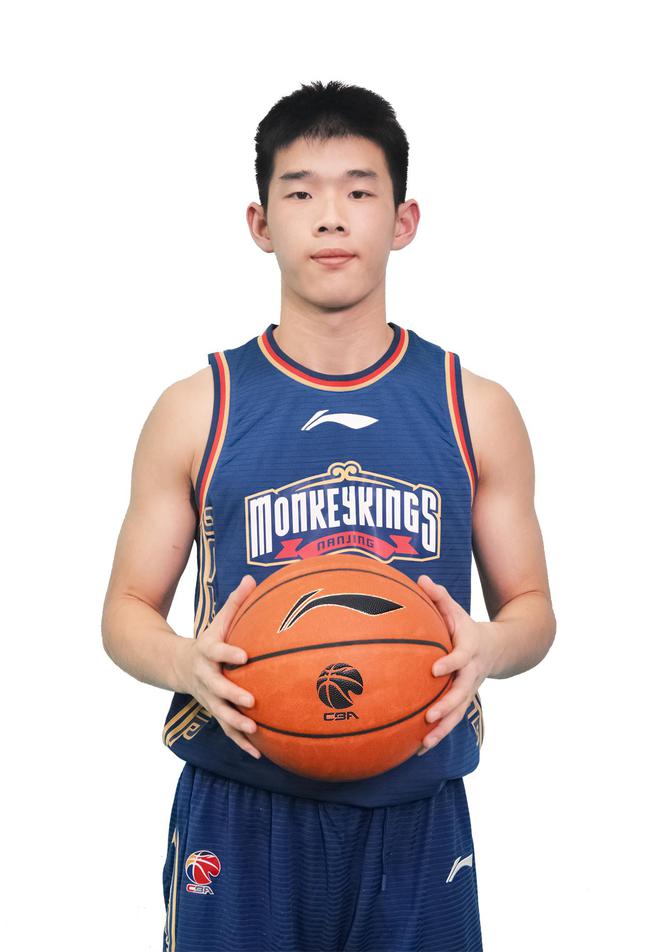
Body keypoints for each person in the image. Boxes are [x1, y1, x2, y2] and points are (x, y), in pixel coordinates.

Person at [101, 80, 556, 952]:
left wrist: (490, 647)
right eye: (301, 193)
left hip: (415, 809)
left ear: (404, 220)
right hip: (241, 805)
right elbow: (125, 611)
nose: (332, 217)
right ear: (261, 223)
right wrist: (186, 663)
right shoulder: (198, 408)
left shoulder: (474, 407)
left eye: (359, 191)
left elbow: (532, 610)